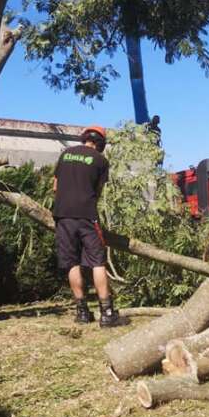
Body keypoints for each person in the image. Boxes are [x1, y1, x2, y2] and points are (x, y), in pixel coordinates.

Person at [52, 125, 119, 327]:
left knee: (71, 263)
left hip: (62, 215)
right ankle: (107, 313)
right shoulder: (100, 160)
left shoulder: (66, 154)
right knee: (98, 261)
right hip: (87, 216)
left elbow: (55, 186)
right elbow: (97, 190)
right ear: (101, 143)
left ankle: (82, 312)